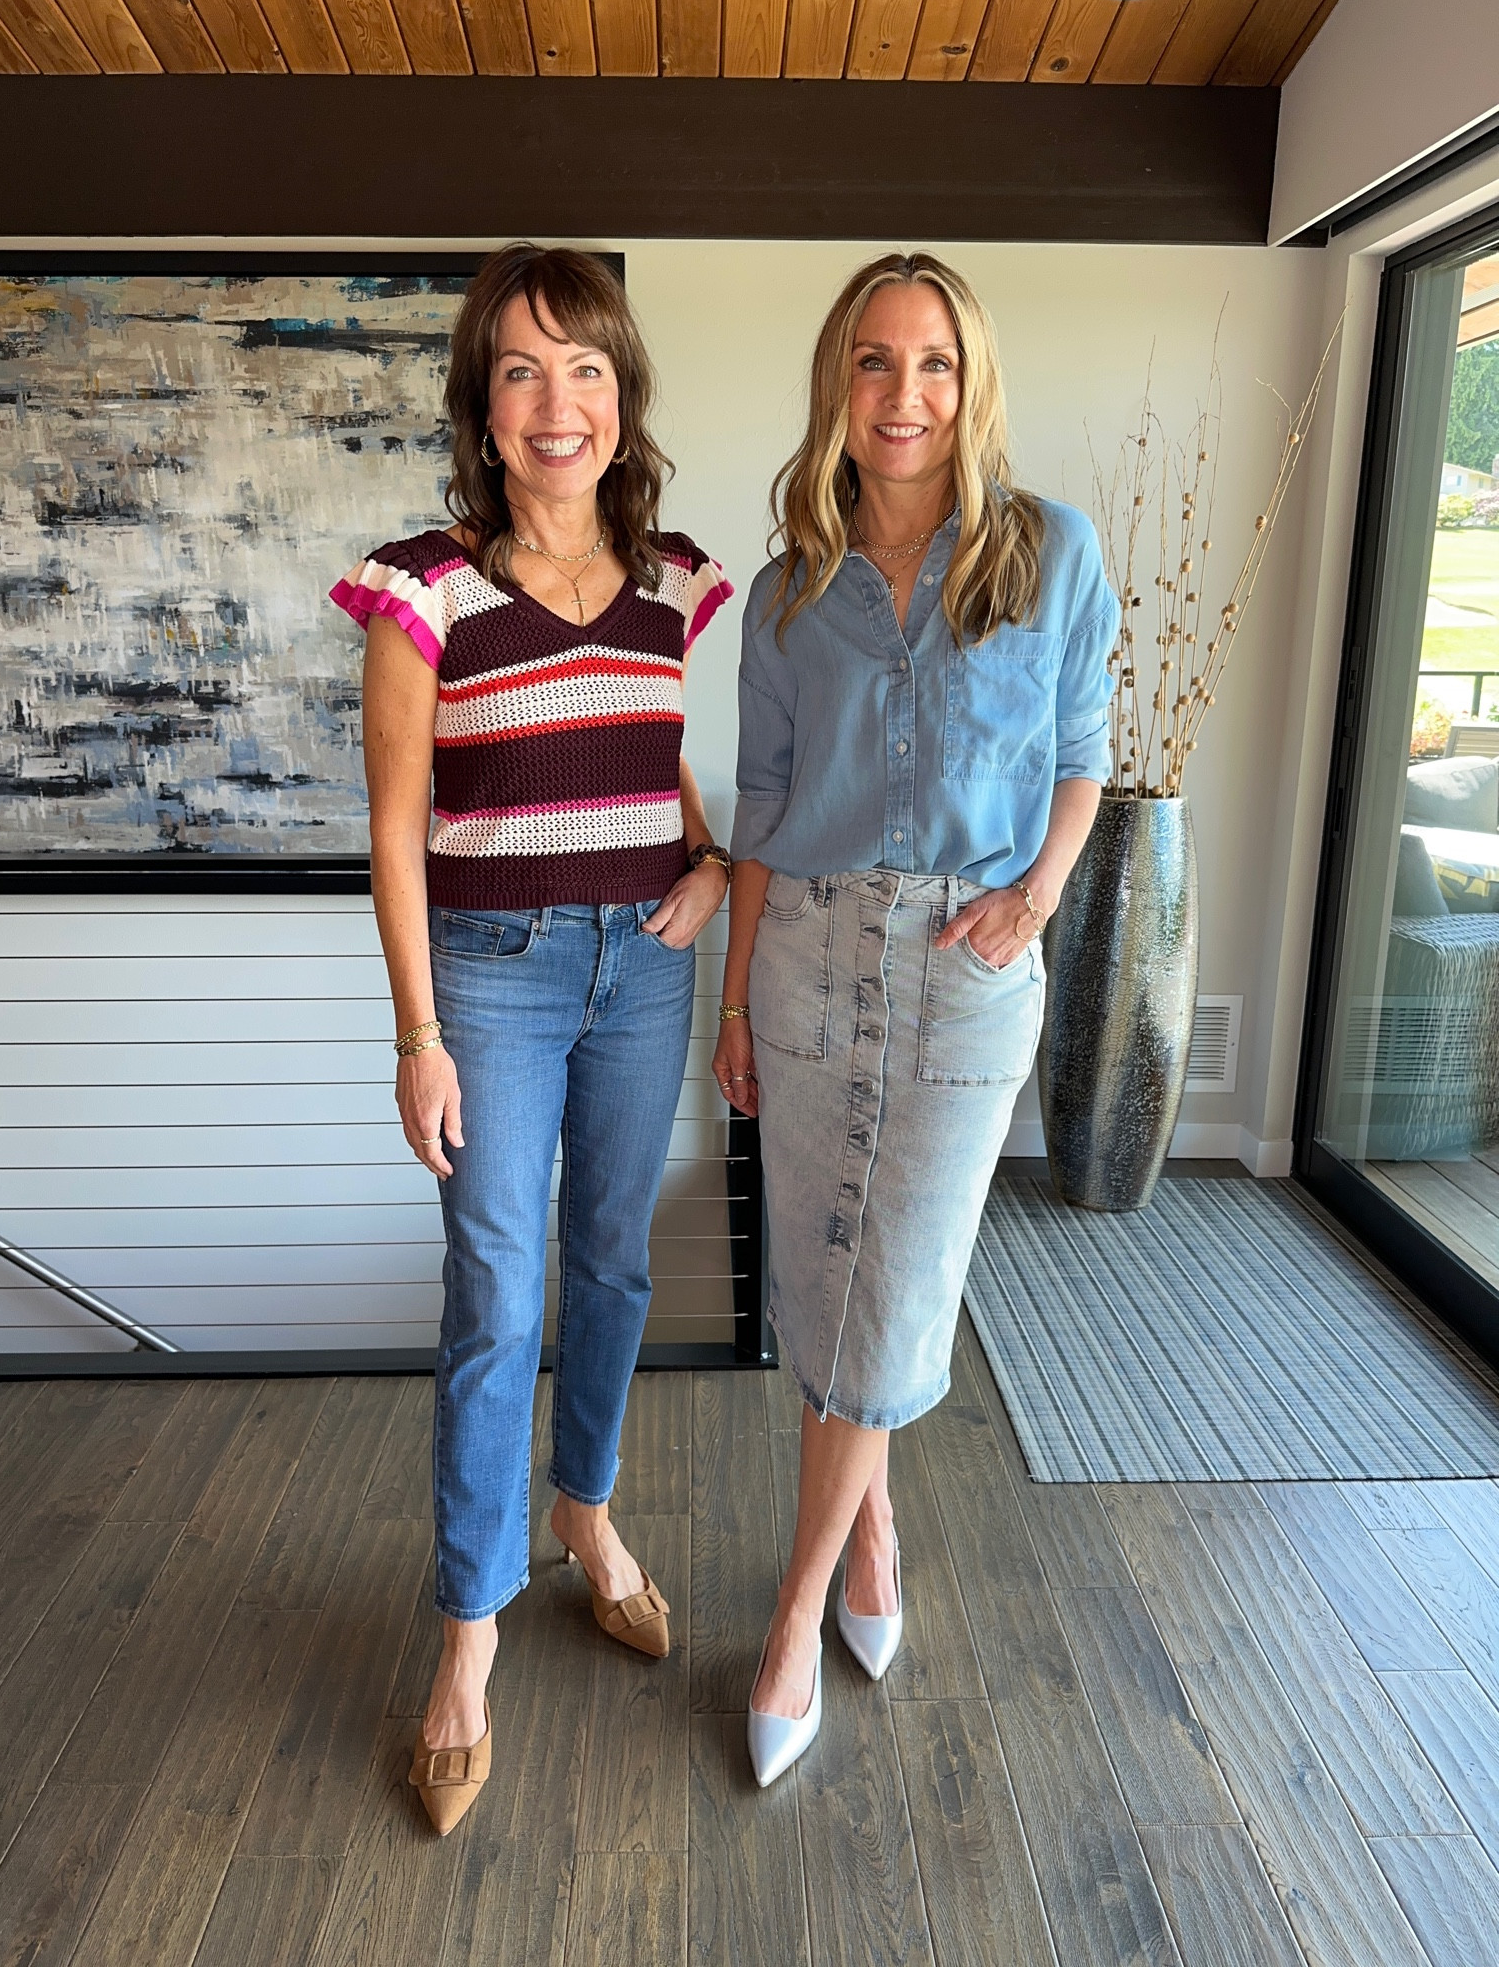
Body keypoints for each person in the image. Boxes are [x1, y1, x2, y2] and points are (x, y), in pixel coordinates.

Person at [332, 244, 733, 1834]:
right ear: (485, 412)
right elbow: (391, 822)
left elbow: (684, 760)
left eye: (584, 369)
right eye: (520, 370)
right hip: (488, 979)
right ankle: (467, 1638)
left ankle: (585, 1515)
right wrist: (416, 1034)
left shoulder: (681, 584)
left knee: (615, 1266)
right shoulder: (423, 589)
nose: (555, 403)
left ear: (621, 398)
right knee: (497, 1297)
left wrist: (710, 867)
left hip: (642, 966)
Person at [712, 252, 1117, 1786]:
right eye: (876, 364)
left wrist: (1038, 899)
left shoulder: (1048, 552)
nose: (905, 395)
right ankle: (874, 1524)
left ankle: (796, 1601)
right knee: (829, 1272)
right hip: (807, 956)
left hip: (963, 963)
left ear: (973, 380)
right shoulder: (788, 590)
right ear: (840, 382)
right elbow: (758, 809)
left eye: (935, 364)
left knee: (895, 1279)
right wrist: (735, 1008)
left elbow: (1084, 751)